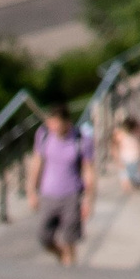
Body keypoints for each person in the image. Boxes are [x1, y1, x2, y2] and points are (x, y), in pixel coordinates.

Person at [25, 104, 95, 265]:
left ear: (67, 122)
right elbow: (37, 163)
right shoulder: (43, 135)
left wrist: (88, 200)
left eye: (57, 124)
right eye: (51, 123)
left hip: (72, 194)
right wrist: (31, 191)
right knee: (44, 237)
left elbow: (88, 171)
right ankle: (61, 256)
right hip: (48, 194)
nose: (53, 127)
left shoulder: (81, 139)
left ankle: (70, 272)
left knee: (69, 239)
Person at [111, 114, 140, 196]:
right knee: (127, 187)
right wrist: (118, 161)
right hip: (126, 162)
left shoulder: (138, 132)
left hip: (137, 161)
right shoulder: (120, 134)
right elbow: (114, 147)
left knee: (139, 186)